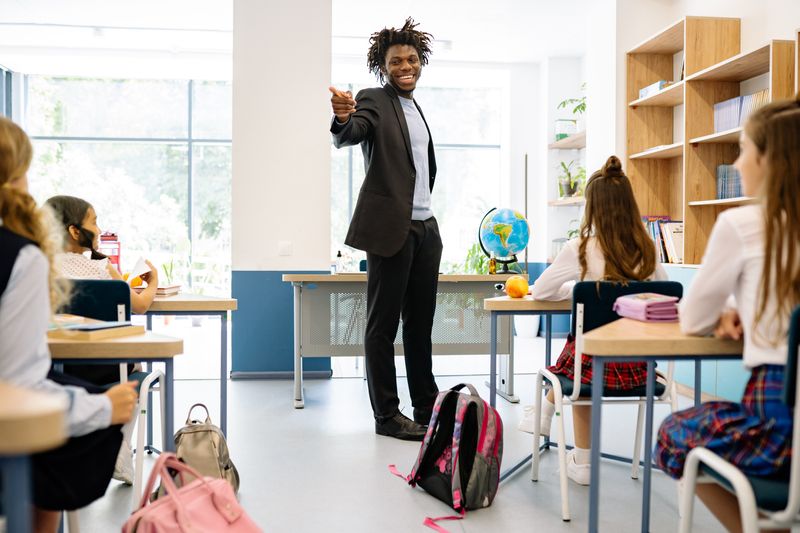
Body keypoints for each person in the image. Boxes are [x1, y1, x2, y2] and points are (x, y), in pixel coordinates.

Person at [655, 99, 800, 533]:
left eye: (741, 149)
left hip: (780, 426)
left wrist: (725, 312)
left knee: (674, 434)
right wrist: (742, 307)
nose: (736, 164)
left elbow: (695, 319)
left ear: (769, 158)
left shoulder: (743, 224)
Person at [0, 115, 138, 533]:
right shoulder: (23, 259)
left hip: (61, 367)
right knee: (64, 438)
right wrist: (102, 408)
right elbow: (17, 390)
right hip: (57, 390)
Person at [521, 155, 667, 485]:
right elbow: (664, 294)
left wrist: (579, 290)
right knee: (586, 354)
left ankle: (582, 460)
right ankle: (546, 419)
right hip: (638, 367)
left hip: (588, 368)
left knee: (583, 354)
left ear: (593, 208)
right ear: (629, 205)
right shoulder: (648, 247)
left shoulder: (582, 247)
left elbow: (542, 289)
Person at [329, 17, 441, 441]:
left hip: (426, 229)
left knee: (420, 325)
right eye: (397, 61)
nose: (405, 66)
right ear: (384, 65)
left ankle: (427, 406)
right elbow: (352, 131)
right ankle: (387, 415)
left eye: (412, 59)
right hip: (391, 230)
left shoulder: (416, 107)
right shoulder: (374, 99)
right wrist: (342, 119)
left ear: (420, 62)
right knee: (382, 326)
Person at [45, 194, 158, 485]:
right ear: (75, 230)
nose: (98, 228)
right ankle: (120, 447)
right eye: (94, 222)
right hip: (111, 367)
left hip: (58, 369)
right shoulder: (100, 267)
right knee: (138, 370)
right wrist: (153, 281)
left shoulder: (42, 267)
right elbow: (140, 304)